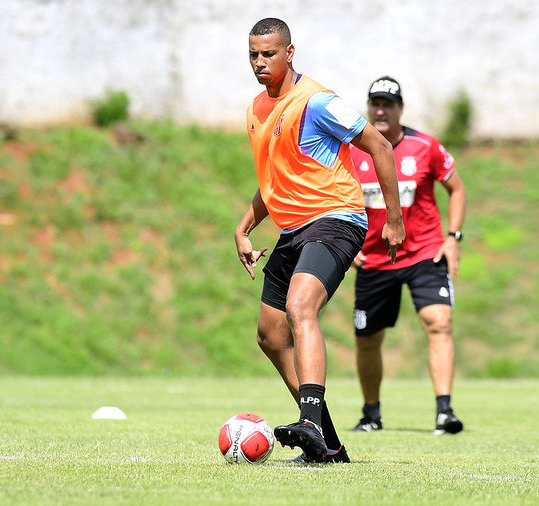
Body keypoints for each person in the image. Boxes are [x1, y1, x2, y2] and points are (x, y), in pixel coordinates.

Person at [234, 19, 405, 464]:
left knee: (300, 306)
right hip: (293, 230)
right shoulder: (255, 109)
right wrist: (244, 226)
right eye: (253, 54)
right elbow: (275, 180)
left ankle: (309, 420)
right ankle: (326, 444)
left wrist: (393, 219)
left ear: (289, 53)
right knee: (270, 335)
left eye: (268, 54)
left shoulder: (317, 101)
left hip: (336, 219)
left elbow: (380, 147)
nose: (259, 63)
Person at [349, 76, 467, 435]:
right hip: (374, 258)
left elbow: (457, 190)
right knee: (368, 338)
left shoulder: (425, 147)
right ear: (369, 107)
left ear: (401, 109)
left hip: (425, 254)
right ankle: (371, 415)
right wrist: (348, 243)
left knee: (439, 322)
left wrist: (452, 238)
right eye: (376, 103)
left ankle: (444, 414)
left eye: (389, 104)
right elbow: (338, 197)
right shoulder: (354, 151)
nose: (381, 110)